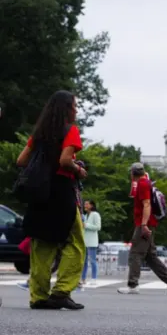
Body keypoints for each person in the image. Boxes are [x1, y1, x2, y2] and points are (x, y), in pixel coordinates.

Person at [16, 90, 86, 310]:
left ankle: (38, 296)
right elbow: (66, 160)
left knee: (41, 245)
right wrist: (78, 170)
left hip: (39, 194)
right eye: (74, 106)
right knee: (75, 242)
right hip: (61, 192)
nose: (76, 110)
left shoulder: (40, 133)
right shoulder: (70, 130)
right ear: (67, 108)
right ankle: (62, 290)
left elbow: (21, 160)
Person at [117, 163, 167, 295]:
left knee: (135, 254)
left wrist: (144, 225)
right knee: (150, 256)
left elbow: (147, 204)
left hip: (144, 224)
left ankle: (133, 285)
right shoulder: (146, 182)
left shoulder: (143, 184)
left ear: (132, 173)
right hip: (148, 223)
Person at [81, 200, 101, 286]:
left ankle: (94, 278)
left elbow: (98, 227)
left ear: (92, 205)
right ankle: (83, 279)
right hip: (84, 241)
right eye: (84, 204)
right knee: (83, 262)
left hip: (92, 242)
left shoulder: (95, 214)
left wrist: (86, 225)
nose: (85, 205)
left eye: (87, 204)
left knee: (93, 261)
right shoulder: (85, 215)